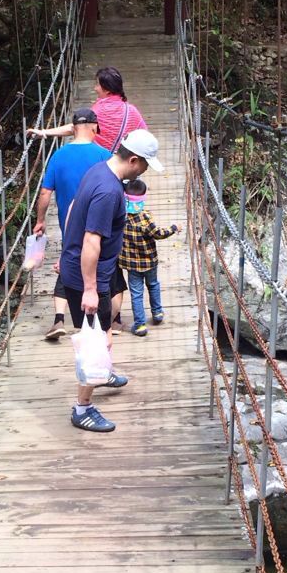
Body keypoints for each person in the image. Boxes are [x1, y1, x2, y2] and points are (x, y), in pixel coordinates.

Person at [59, 129, 164, 432]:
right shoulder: (110, 191)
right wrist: (90, 289)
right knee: (96, 340)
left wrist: (67, 248)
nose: (145, 171)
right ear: (133, 160)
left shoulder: (99, 170)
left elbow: (71, 209)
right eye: (145, 165)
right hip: (89, 277)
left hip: (78, 267)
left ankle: (103, 373)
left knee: (100, 333)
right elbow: (92, 241)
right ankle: (83, 408)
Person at [32, 108, 110, 341]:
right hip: (99, 224)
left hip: (71, 227)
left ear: (73, 128)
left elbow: (45, 192)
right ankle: (102, 324)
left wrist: (40, 220)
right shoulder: (104, 155)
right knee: (100, 268)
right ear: (95, 127)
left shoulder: (58, 156)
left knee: (71, 264)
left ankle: (61, 318)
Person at [30, 66, 148, 153]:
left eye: (97, 84)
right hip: (126, 163)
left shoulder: (99, 110)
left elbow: (76, 128)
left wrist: (45, 132)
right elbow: (144, 134)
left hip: (102, 163)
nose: (95, 88)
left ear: (107, 90)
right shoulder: (131, 110)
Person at [118, 178, 179, 336]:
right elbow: (158, 234)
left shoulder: (120, 216)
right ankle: (157, 313)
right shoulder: (145, 217)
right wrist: (173, 228)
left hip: (131, 264)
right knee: (153, 285)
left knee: (136, 293)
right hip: (150, 261)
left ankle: (140, 325)